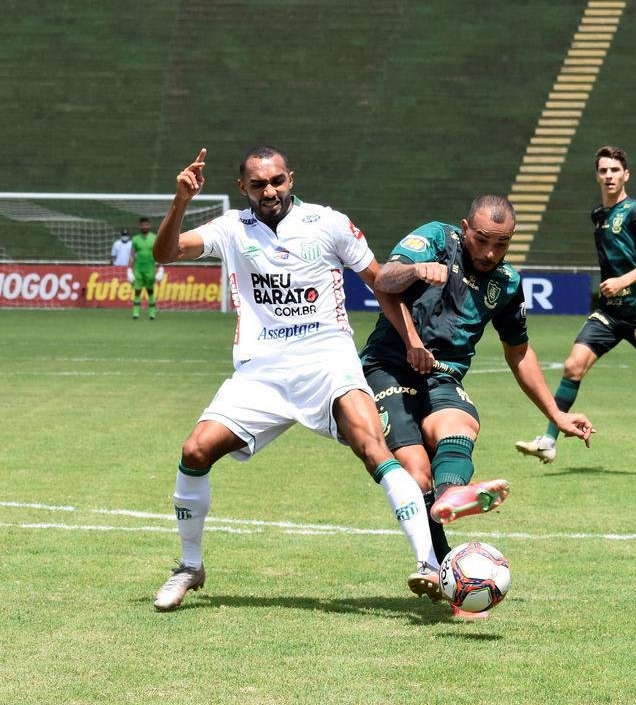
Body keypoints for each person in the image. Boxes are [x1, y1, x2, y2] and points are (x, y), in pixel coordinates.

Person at [149, 146, 437, 612]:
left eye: (278, 181)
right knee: (194, 450)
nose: (270, 191)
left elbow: (380, 281)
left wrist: (411, 340)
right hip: (262, 371)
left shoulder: (329, 223)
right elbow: (165, 253)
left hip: (328, 360)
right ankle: (189, 566)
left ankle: (428, 564)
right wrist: (181, 201)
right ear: (243, 188)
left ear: (291, 179)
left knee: (372, 445)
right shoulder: (231, 228)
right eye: (259, 184)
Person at [362, 195, 594, 617]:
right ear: (465, 227)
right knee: (416, 473)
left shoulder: (506, 283)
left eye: (501, 245)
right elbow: (384, 279)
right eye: (483, 240)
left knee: (459, 426)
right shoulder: (436, 238)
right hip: (388, 366)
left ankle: (451, 502)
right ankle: (443, 564)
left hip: (442, 374)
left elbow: (519, 352)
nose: (490, 253)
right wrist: (416, 273)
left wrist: (555, 415)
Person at [516, 145, 636, 465]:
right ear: (597, 176)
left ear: (626, 174)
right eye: (603, 171)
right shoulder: (598, 215)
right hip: (610, 312)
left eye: (615, 170)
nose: (609, 176)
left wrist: (623, 281)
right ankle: (548, 439)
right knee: (573, 366)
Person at [129, 217, 162, 320]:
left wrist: (160, 269)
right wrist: (129, 270)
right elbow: (132, 255)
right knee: (137, 291)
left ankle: (152, 314)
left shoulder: (154, 238)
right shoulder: (135, 239)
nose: (144, 226)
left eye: (146, 224)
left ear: (149, 225)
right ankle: (135, 313)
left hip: (150, 269)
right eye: (142, 224)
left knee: (150, 291)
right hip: (138, 269)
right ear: (140, 226)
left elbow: (159, 253)